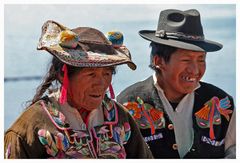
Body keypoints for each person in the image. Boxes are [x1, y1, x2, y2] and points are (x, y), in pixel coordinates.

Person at [4, 20, 153, 159]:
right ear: (64, 75)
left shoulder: (120, 117)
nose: (101, 84)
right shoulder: (30, 126)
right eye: (91, 74)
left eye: (107, 73)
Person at [117, 9, 235, 158]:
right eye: (186, 60)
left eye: (201, 59)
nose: (195, 70)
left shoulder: (222, 102)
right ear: (158, 61)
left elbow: (234, 151)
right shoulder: (127, 104)